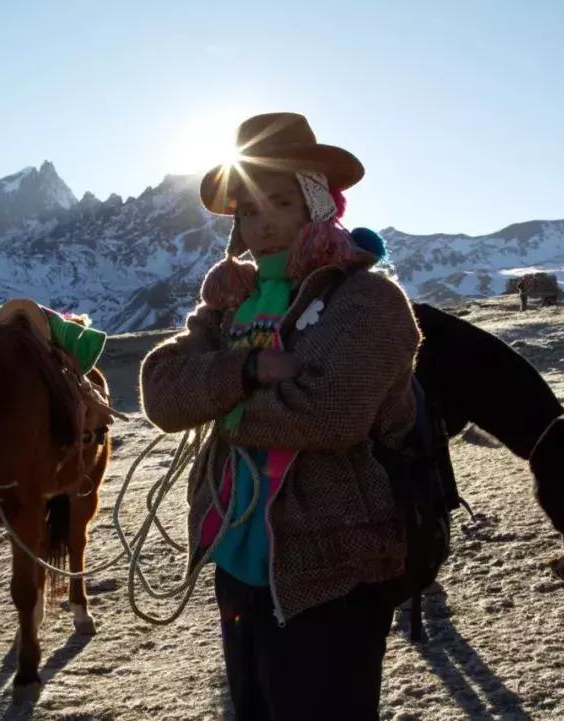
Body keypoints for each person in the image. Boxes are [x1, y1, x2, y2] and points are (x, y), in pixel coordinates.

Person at [140, 113, 420, 720]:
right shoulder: (230, 304)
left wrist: (215, 403)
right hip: (240, 565)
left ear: (316, 206)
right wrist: (248, 373)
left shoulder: (368, 301)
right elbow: (162, 393)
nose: (260, 223)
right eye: (247, 209)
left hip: (332, 567)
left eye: (279, 203)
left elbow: (325, 415)